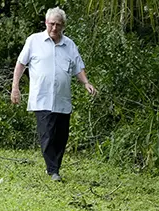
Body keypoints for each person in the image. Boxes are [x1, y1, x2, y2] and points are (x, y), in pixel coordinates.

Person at [10, 7, 97, 181]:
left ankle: (54, 167)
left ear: (63, 26)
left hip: (62, 99)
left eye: (58, 25)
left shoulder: (69, 44)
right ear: (46, 23)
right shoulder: (34, 41)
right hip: (42, 98)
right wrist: (15, 87)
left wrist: (86, 82)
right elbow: (21, 64)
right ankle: (53, 170)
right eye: (52, 24)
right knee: (47, 134)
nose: (54, 28)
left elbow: (78, 68)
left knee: (61, 136)